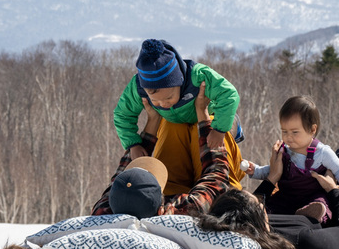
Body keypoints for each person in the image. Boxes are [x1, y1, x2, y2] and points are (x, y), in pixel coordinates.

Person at [113, 39, 246, 195]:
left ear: (180, 81)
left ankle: (222, 191)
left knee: (207, 142)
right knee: (170, 140)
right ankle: (172, 192)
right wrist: (133, 144)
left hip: (207, 116)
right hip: (173, 121)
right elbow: (123, 114)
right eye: (155, 100)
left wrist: (219, 129)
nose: (162, 104)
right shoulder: (138, 88)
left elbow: (229, 94)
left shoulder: (197, 76)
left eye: (169, 98)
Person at [91, 83, 234, 217]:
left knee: (174, 126)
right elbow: (217, 181)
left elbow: (215, 182)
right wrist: (202, 113)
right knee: (176, 127)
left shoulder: (102, 214)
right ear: (161, 210)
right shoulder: (174, 218)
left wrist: (153, 120)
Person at [244, 95, 339, 223]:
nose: (288, 137)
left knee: (321, 203)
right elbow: (274, 170)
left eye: (295, 132)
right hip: (287, 196)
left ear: (312, 129)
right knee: (273, 204)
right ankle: (271, 215)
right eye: (284, 131)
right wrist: (256, 171)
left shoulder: (322, 152)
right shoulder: (285, 150)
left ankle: (311, 213)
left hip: (312, 196)